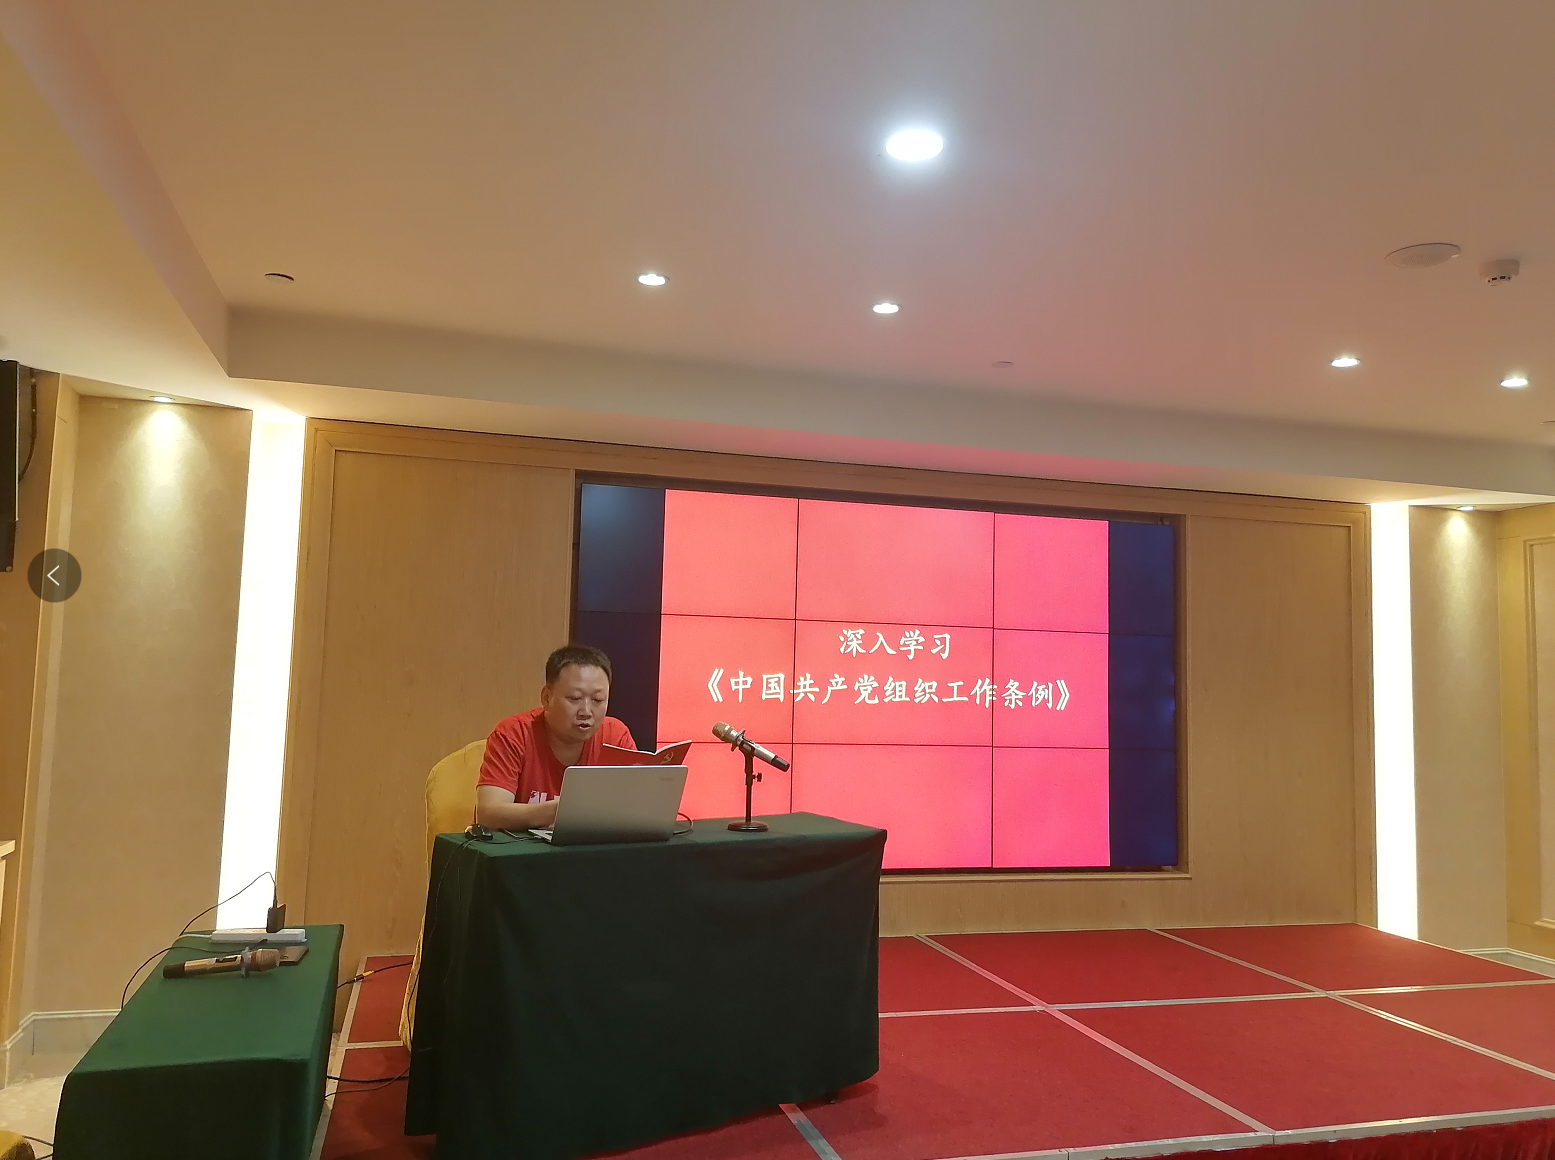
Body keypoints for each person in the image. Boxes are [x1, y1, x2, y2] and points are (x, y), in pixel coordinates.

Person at [473, 644, 636, 831]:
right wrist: (563, 810)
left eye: (597, 700)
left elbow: (637, 808)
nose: (586, 711)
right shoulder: (513, 734)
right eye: (575, 698)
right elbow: (489, 814)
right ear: (546, 698)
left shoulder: (615, 736)